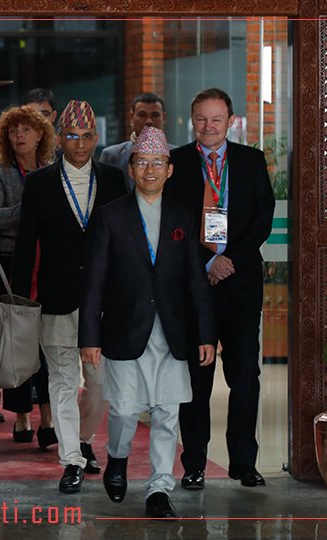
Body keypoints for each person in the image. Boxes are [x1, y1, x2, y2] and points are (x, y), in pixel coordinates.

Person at [79, 126, 216, 519]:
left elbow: (196, 280)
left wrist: (206, 333)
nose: (151, 170)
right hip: (124, 331)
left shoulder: (182, 217)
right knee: (122, 410)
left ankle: (159, 488)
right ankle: (117, 459)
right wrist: (89, 336)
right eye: (143, 163)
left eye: (158, 162)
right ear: (130, 168)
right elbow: (94, 283)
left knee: (167, 413)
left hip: (173, 334)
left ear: (170, 170)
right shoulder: (109, 217)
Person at [12, 100, 127, 494]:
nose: (80, 144)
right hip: (56, 297)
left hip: (105, 300)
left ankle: (82, 439)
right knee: (61, 381)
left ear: (97, 138)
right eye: (72, 136)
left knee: (98, 382)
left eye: (87, 137)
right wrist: (19, 302)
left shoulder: (113, 179)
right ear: (59, 138)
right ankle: (71, 461)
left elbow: (125, 243)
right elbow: (27, 245)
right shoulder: (40, 183)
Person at [164, 88, 275, 490]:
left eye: (216, 119)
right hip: (194, 287)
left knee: (245, 376)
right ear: (190, 121)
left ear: (231, 121)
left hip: (241, 283)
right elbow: (171, 225)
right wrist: (207, 261)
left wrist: (231, 260)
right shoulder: (175, 163)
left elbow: (263, 217)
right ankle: (194, 463)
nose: (208, 127)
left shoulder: (250, 160)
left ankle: (244, 463)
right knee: (197, 379)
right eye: (200, 119)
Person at [0, 105, 57, 446]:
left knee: (46, 345)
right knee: (18, 343)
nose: (19, 136)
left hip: (48, 264)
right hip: (11, 265)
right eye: (13, 131)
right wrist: (33, 209)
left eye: (26, 130)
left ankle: (49, 416)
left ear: (40, 134)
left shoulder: (53, 170)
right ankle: (22, 416)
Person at [99, 92, 171, 191]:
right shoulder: (111, 156)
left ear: (164, 118)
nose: (149, 121)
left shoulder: (178, 155)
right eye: (142, 115)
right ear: (131, 117)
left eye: (155, 115)